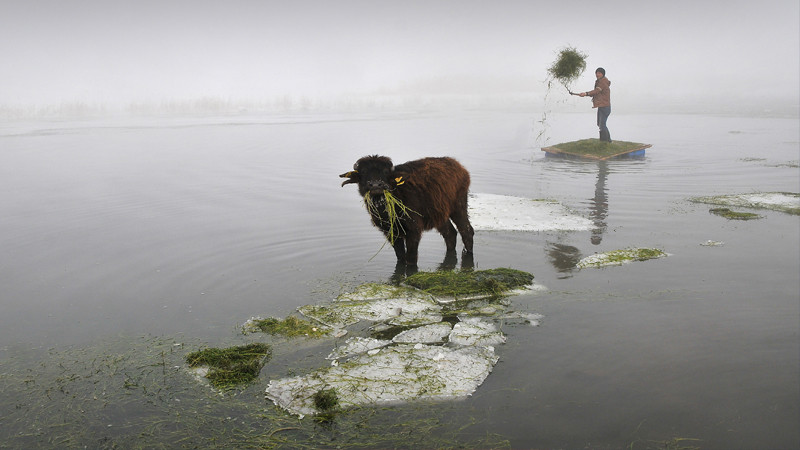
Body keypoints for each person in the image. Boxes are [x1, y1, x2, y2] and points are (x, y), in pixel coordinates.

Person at [579, 68, 611, 142]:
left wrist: (586, 93)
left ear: (603, 74)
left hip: (605, 107)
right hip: (602, 106)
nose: (597, 74)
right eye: (596, 73)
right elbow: (597, 93)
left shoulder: (603, 82)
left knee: (602, 125)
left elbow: (596, 91)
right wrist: (587, 94)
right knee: (600, 124)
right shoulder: (600, 81)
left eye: (599, 73)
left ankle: (605, 141)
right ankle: (607, 140)